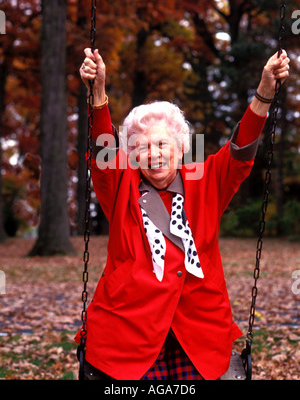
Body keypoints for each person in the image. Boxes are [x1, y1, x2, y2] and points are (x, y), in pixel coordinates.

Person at [76, 48, 289, 380]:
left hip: (198, 330)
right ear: (131, 154)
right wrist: (98, 91)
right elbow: (102, 147)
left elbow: (240, 150)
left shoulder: (205, 180)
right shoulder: (119, 184)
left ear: (179, 146)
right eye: (142, 147)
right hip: (129, 330)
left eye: (161, 145)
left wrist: (263, 94)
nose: (154, 154)